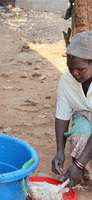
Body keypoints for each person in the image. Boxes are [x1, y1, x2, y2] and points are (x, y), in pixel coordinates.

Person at [52, 31, 92, 186]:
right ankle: (83, 171)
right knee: (79, 135)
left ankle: (81, 167)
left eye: (80, 69)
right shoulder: (66, 80)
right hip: (84, 116)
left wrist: (79, 165)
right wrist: (60, 152)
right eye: (70, 68)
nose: (75, 73)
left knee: (81, 161)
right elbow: (62, 115)